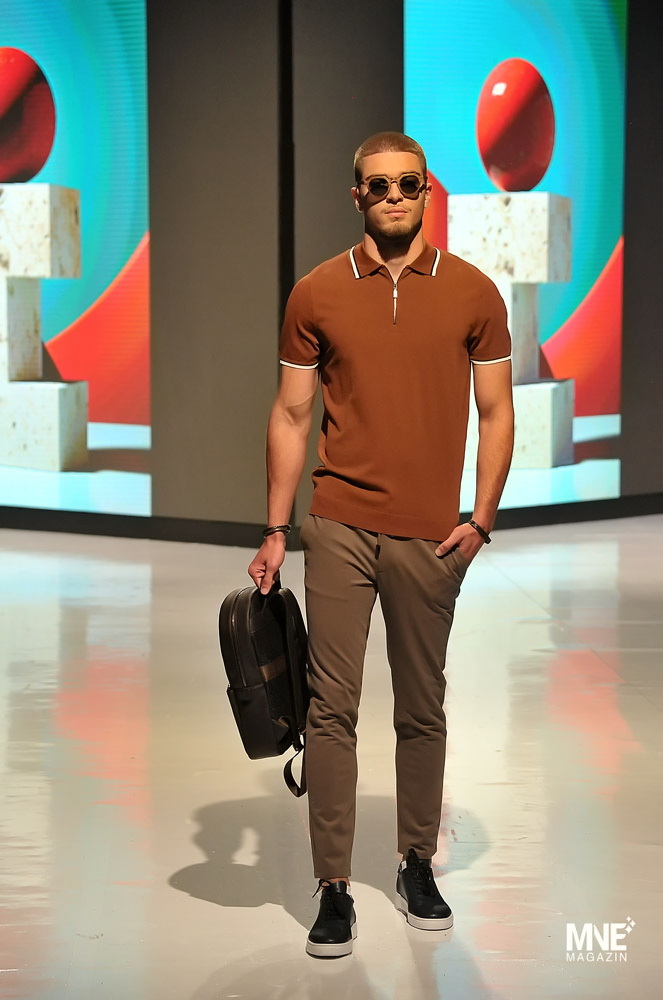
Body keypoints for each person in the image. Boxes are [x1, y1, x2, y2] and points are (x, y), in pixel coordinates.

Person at [248, 131, 514, 958]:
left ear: (426, 190)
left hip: (431, 535)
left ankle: (414, 863)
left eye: (406, 183)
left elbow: (496, 411)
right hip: (336, 524)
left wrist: (480, 518)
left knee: (420, 706)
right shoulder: (316, 293)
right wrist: (275, 526)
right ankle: (331, 885)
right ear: (356, 195)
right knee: (329, 709)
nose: (392, 195)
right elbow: (291, 412)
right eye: (377, 185)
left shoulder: (473, 293)